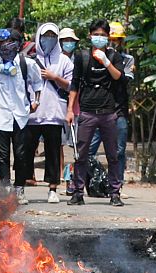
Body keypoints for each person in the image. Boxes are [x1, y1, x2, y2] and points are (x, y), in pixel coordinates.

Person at [66, 19, 125, 206]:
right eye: (96, 35)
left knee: (112, 154)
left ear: (108, 37)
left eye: (103, 35)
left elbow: (118, 77)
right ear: (90, 36)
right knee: (81, 154)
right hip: (87, 111)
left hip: (108, 112)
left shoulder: (114, 56)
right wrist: (70, 110)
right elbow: (74, 83)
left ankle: (115, 192)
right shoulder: (81, 56)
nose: (99, 38)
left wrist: (106, 61)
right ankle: (77, 192)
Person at [0, 28, 42, 204]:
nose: (3, 47)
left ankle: (19, 189)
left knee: (21, 154)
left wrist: (35, 102)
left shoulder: (27, 64)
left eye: (5, 43)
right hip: (1, 115)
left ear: (14, 44)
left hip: (20, 115)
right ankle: (6, 190)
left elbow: (38, 83)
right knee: (2, 155)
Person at [26, 22, 73, 204]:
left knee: (53, 152)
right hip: (32, 114)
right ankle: (21, 184)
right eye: (46, 36)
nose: (49, 39)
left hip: (54, 113)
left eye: (53, 36)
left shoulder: (64, 60)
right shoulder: (29, 60)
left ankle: (52, 188)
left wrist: (55, 78)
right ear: (39, 37)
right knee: (27, 151)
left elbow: (71, 85)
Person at [87, 21, 134, 188]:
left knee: (118, 152)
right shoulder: (90, 57)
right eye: (111, 39)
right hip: (96, 110)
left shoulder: (126, 60)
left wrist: (108, 62)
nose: (114, 43)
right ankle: (83, 182)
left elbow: (123, 79)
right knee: (87, 150)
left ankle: (117, 184)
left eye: (117, 40)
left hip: (118, 111)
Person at [59, 27, 80, 193]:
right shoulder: (55, 60)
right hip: (58, 105)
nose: (68, 43)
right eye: (65, 40)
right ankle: (60, 175)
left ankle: (74, 177)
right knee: (58, 143)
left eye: (71, 41)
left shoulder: (79, 60)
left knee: (77, 145)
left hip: (77, 107)